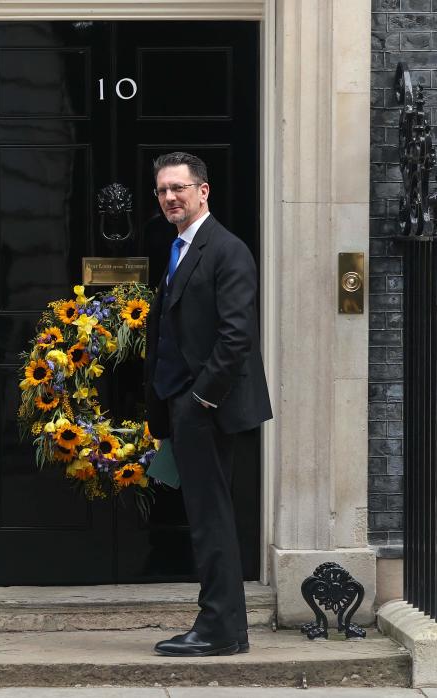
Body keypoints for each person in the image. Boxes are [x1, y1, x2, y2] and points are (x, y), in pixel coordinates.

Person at [145, 152, 273, 657]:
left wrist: (199, 400)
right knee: (205, 516)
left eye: (179, 188)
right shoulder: (179, 248)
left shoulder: (227, 250)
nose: (170, 197)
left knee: (212, 517)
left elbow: (236, 335)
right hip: (184, 404)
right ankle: (225, 626)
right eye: (162, 190)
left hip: (209, 408)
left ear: (204, 191)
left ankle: (219, 628)